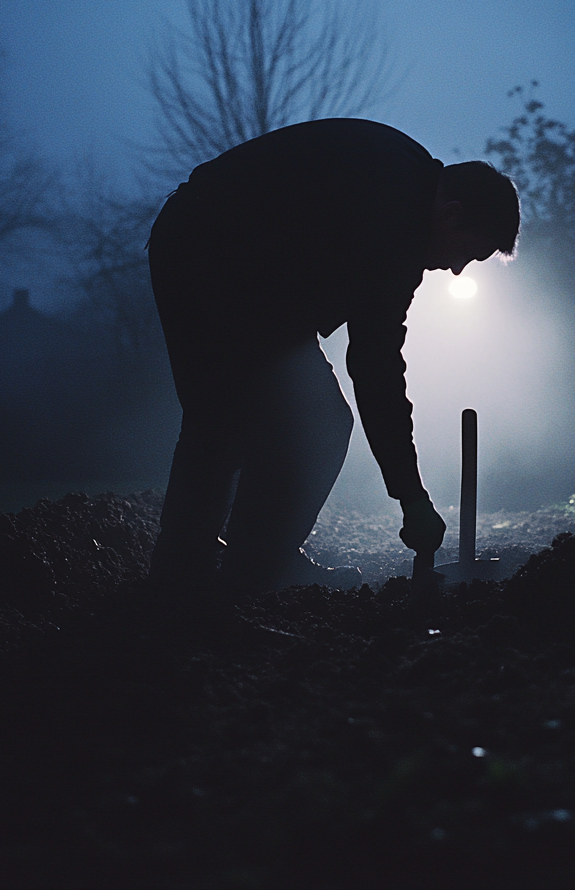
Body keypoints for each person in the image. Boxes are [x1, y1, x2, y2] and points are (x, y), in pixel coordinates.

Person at [147, 118, 519, 604]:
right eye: (466, 254)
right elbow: (376, 366)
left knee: (278, 417)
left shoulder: (405, 182)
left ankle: (248, 559)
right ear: (451, 215)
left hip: (247, 269)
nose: (454, 269)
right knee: (233, 416)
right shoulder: (396, 223)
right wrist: (411, 496)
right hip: (208, 253)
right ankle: (202, 576)